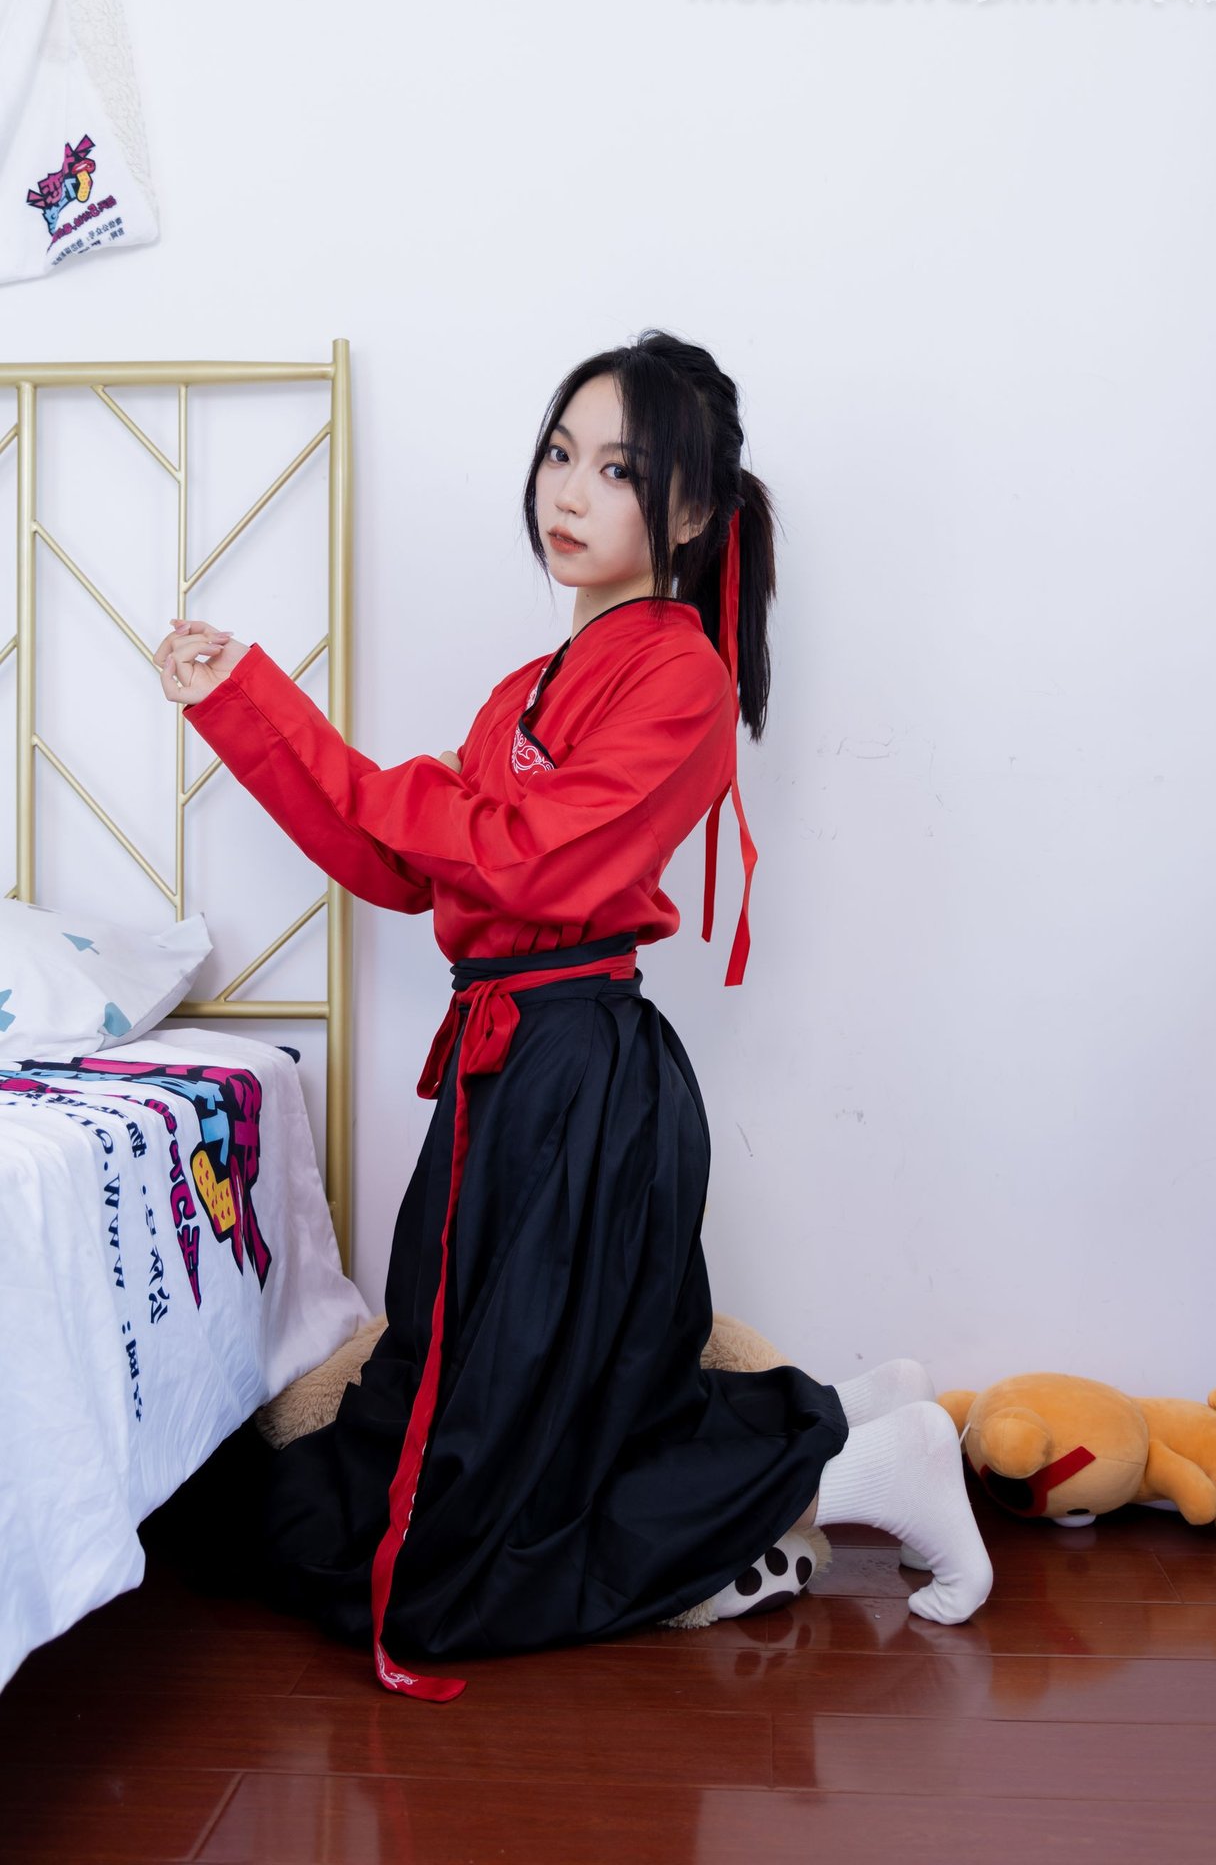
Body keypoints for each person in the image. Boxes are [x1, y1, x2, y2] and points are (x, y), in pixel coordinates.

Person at [151, 329, 992, 1702]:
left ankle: (850, 1466)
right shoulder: (521, 695)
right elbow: (401, 862)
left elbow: (526, 860)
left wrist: (369, 768)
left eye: (616, 467)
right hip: (506, 1074)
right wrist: (246, 701)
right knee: (406, 1459)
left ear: (691, 511)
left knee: (460, 1546)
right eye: (559, 452)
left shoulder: (681, 678)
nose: (569, 489)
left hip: (579, 1086)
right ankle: (849, 1435)